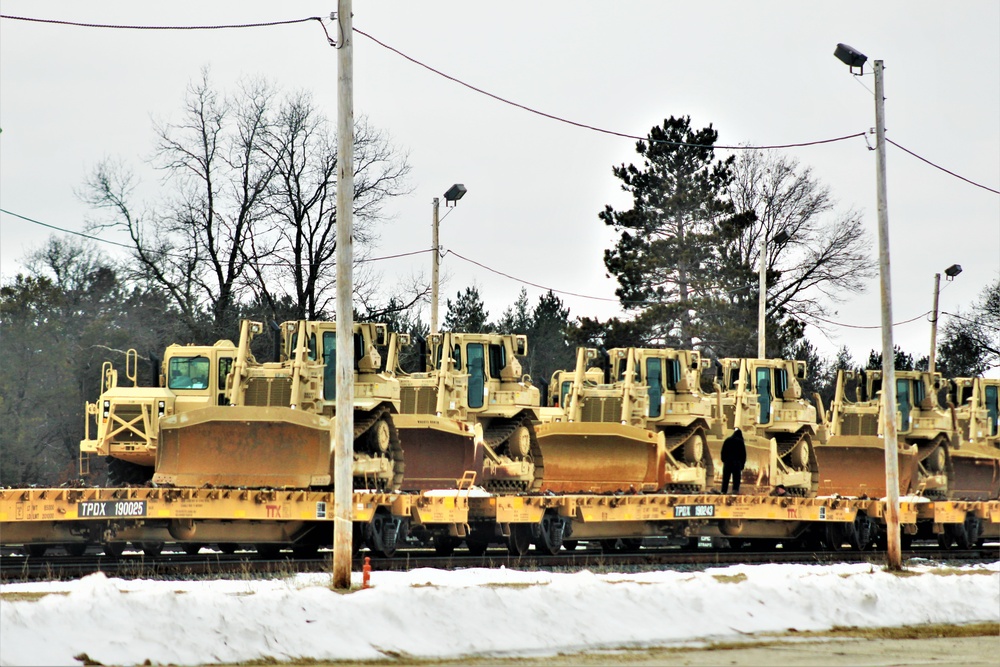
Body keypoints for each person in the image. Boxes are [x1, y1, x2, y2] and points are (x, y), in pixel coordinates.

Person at [720, 427, 746, 494]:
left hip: (727, 462)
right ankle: (735, 490)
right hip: (736, 463)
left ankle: (723, 491)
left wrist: (724, 460)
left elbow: (723, 451)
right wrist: (742, 464)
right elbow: (743, 454)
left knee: (726, 478)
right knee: (736, 478)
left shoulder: (727, 440)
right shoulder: (740, 441)